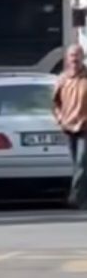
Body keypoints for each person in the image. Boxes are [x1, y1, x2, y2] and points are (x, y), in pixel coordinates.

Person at [53, 43, 87, 210]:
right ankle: (83, 198)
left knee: (81, 162)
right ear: (67, 59)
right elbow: (55, 103)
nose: (75, 59)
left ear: (83, 57)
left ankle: (74, 198)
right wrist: (60, 118)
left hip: (85, 126)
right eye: (72, 56)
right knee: (77, 164)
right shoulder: (62, 79)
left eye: (77, 55)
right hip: (69, 126)